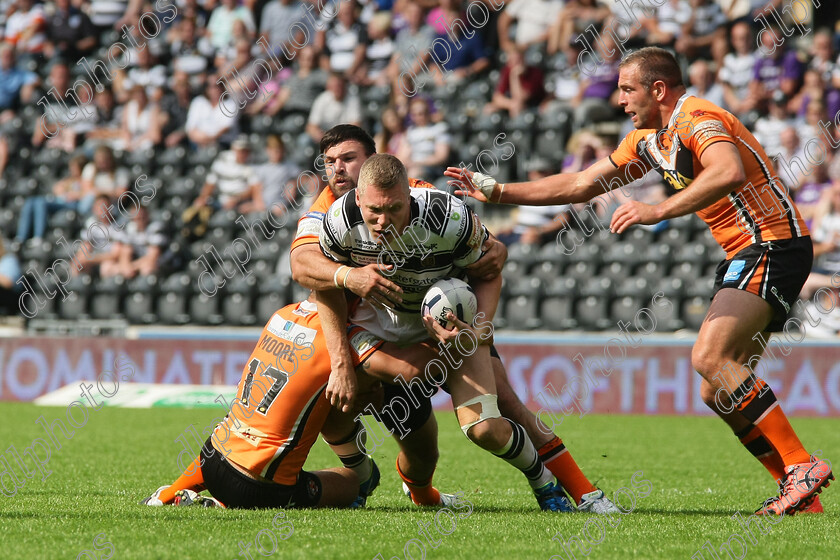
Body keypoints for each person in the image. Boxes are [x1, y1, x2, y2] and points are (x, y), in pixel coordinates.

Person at [448, 46, 833, 516]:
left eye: (628, 89)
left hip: (773, 242)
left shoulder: (698, 116)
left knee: (711, 357)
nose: (620, 100)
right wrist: (498, 191)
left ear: (658, 89)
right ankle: (799, 494)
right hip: (749, 250)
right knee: (717, 388)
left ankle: (801, 465)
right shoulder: (648, 139)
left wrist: (657, 210)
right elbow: (581, 184)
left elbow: (728, 171)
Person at [291, 125, 618, 513]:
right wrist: (348, 283)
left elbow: (491, 262)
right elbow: (306, 269)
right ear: (360, 197)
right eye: (330, 162)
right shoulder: (332, 217)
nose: (339, 170)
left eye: (349, 159)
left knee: (496, 417)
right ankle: (366, 480)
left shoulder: (440, 211)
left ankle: (575, 491)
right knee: (346, 406)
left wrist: (480, 328)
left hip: (449, 318)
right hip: (378, 329)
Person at [141, 295, 382, 509]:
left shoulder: (281, 315)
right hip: (259, 485)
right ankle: (217, 505)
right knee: (351, 482)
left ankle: (168, 494)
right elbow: (404, 368)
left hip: (212, 456)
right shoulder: (343, 340)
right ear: (355, 301)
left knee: (235, 437)